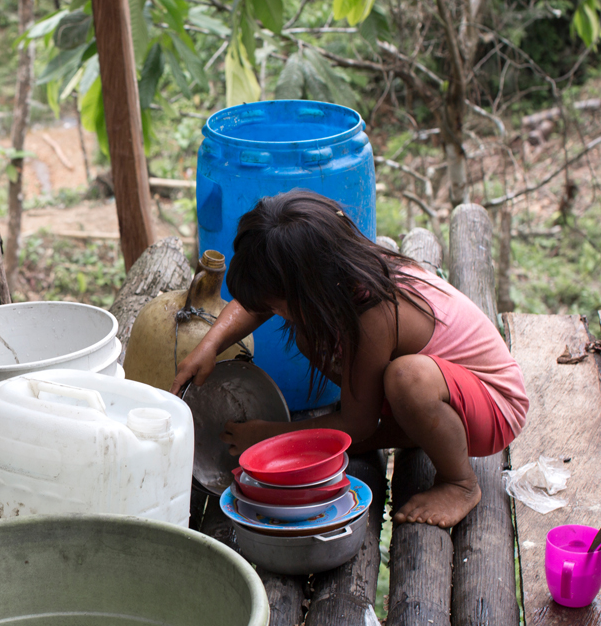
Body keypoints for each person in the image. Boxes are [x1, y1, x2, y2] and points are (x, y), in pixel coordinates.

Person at [171, 190, 528, 528]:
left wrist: (270, 437)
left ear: (307, 287)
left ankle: (460, 483)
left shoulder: (375, 312)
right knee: (311, 334)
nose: (272, 312)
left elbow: (357, 424)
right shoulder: (334, 273)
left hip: (493, 406)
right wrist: (208, 347)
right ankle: (404, 426)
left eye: (278, 304)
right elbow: (258, 302)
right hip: (444, 396)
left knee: (407, 378)